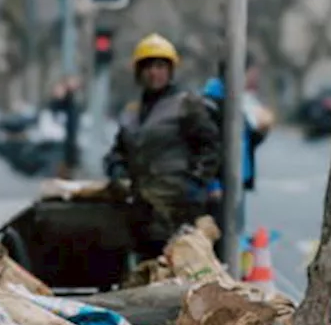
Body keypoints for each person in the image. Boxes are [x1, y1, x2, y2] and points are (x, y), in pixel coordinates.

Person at [104, 33, 220, 258]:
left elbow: (210, 147)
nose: (153, 73)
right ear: (138, 73)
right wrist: (116, 170)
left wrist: (194, 184)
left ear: (170, 71)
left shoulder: (187, 106)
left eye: (160, 66)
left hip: (178, 209)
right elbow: (118, 151)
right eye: (147, 67)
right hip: (141, 209)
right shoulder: (131, 113)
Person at [202, 56, 275, 243]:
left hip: (236, 183)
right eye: (251, 73)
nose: (254, 79)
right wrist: (213, 185)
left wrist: (262, 131)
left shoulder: (235, 101)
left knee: (234, 238)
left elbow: (244, 140)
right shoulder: (213, 103)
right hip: (220, 188)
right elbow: (204, 147)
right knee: (222, 241)